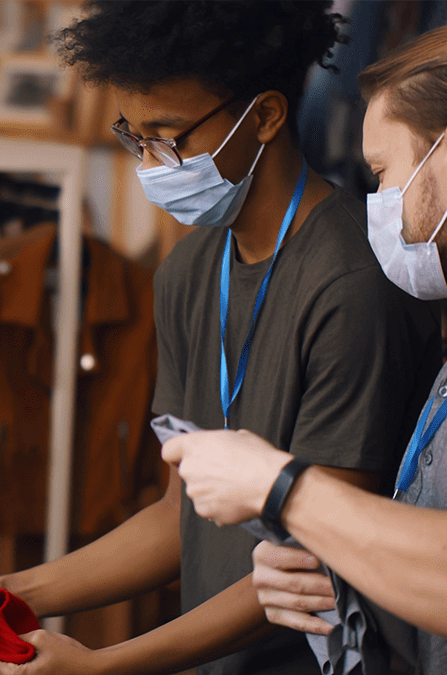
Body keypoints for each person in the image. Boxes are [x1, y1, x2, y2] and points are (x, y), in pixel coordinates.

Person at [0, 3, 440, 675]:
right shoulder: (187, 273)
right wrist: (16, 592)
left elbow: (323, 540)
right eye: (135, 137)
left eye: (171, 136)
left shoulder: (352, 281)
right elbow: (178, 514)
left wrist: (107, 663)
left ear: (267, 117)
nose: (154, 162)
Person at [163, 24, 447, 669]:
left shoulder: (346, 281)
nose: (380, 202)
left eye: (383, 172)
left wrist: (282, 487)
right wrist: (342, 565)